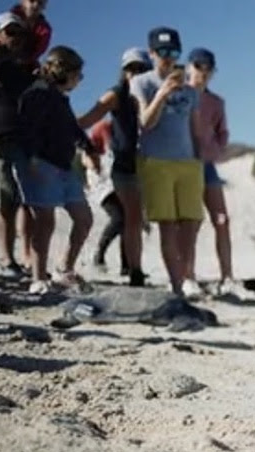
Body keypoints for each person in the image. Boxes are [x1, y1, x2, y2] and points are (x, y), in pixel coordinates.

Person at [13, 45, 99, 294]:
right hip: (41, 164)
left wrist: (88, 145)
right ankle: (38, 279)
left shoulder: (61, 98)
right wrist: (32, 158)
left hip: (64, 167)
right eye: (78, 75)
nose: (80, 80)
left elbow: (71, 127)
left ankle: (64, 269)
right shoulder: (38, 93)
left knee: (84, 219)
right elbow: (28, 127)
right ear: (65, 71)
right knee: (45, 223)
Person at [130, 26, 204, 297]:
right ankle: (176, 287)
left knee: (190, 223)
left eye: (173, 52)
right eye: (162, 52)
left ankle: (186, 276)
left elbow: (196, 130)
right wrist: (163, 93)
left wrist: (200, 160)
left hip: (187, 163)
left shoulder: (191, 91)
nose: (168, 57)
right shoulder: (142, 82)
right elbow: (145, 123)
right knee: (167, 226)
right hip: (156, 161)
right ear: (151, 53)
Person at [75, 46, 151, 286]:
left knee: (135, 219)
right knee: (127, 218)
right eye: (131, 69)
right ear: (124, 71)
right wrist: (80, 144)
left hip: (149, 165)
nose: (136, 73)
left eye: (141, 69)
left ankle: (132, 268)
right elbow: (87, 119)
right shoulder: (117, 94)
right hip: (121, 167)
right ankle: (132, 270)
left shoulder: (153, 93)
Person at [186, 46, 235, 295]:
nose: (203, 73)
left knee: (222, 219)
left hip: (207, 164)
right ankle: (188, 276)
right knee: (191, 222)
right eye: (198, 67)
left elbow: (223, 131)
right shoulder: (178, 94)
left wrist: (218, 147)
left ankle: (227, 277)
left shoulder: (216, 102)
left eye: (208, 69)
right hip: (183, 164)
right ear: (189, 67)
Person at [0, 11, 34, 279]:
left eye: (19, 33)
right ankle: (7, 259)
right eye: (10, 32)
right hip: (0, 140)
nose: (15, 38)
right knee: (6, 201)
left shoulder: (22, 69)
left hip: (21, 140)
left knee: (21, 200)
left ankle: (20, 259)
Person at [7, 0, 47, 66]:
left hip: (25, 64)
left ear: (44, 6)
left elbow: (38, 52)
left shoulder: (44, 30)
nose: (35, 5)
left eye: (40, 3)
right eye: (31, 1)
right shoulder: (8, 19)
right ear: (23, 1)